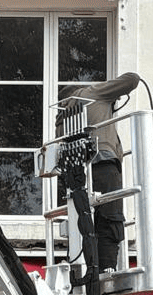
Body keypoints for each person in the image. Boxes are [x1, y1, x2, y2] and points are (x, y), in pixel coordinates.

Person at [58, 72, 140, 272]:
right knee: (110, 219)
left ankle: (89, 271)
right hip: (103, 166)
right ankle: (107, 269)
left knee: (84, 224)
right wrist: (108, 89)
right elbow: (132, 79)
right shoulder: (92, 93)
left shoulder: (61, 116)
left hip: (74, 176)